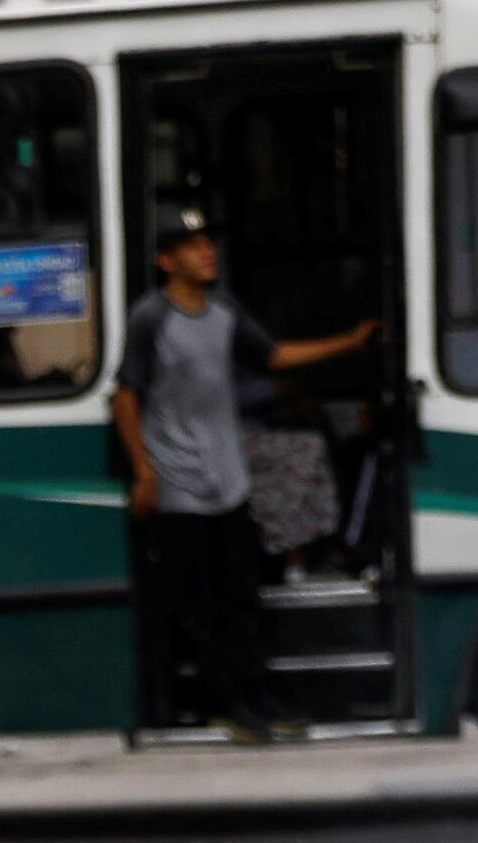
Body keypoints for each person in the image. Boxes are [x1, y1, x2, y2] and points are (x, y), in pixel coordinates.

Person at [111, 207, 373, 739]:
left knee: (241, 597)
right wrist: (143, 470)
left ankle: (257, 696)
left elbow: (273, 354)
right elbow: (124, 394)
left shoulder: (225, 309)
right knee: (198, 603)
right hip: (179, 484)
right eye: (191, 246)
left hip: (228, 480)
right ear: (166, 261)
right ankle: (224, 705)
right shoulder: (150, 318)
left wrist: (348, 343)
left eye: (208, 242)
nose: (206, 252)